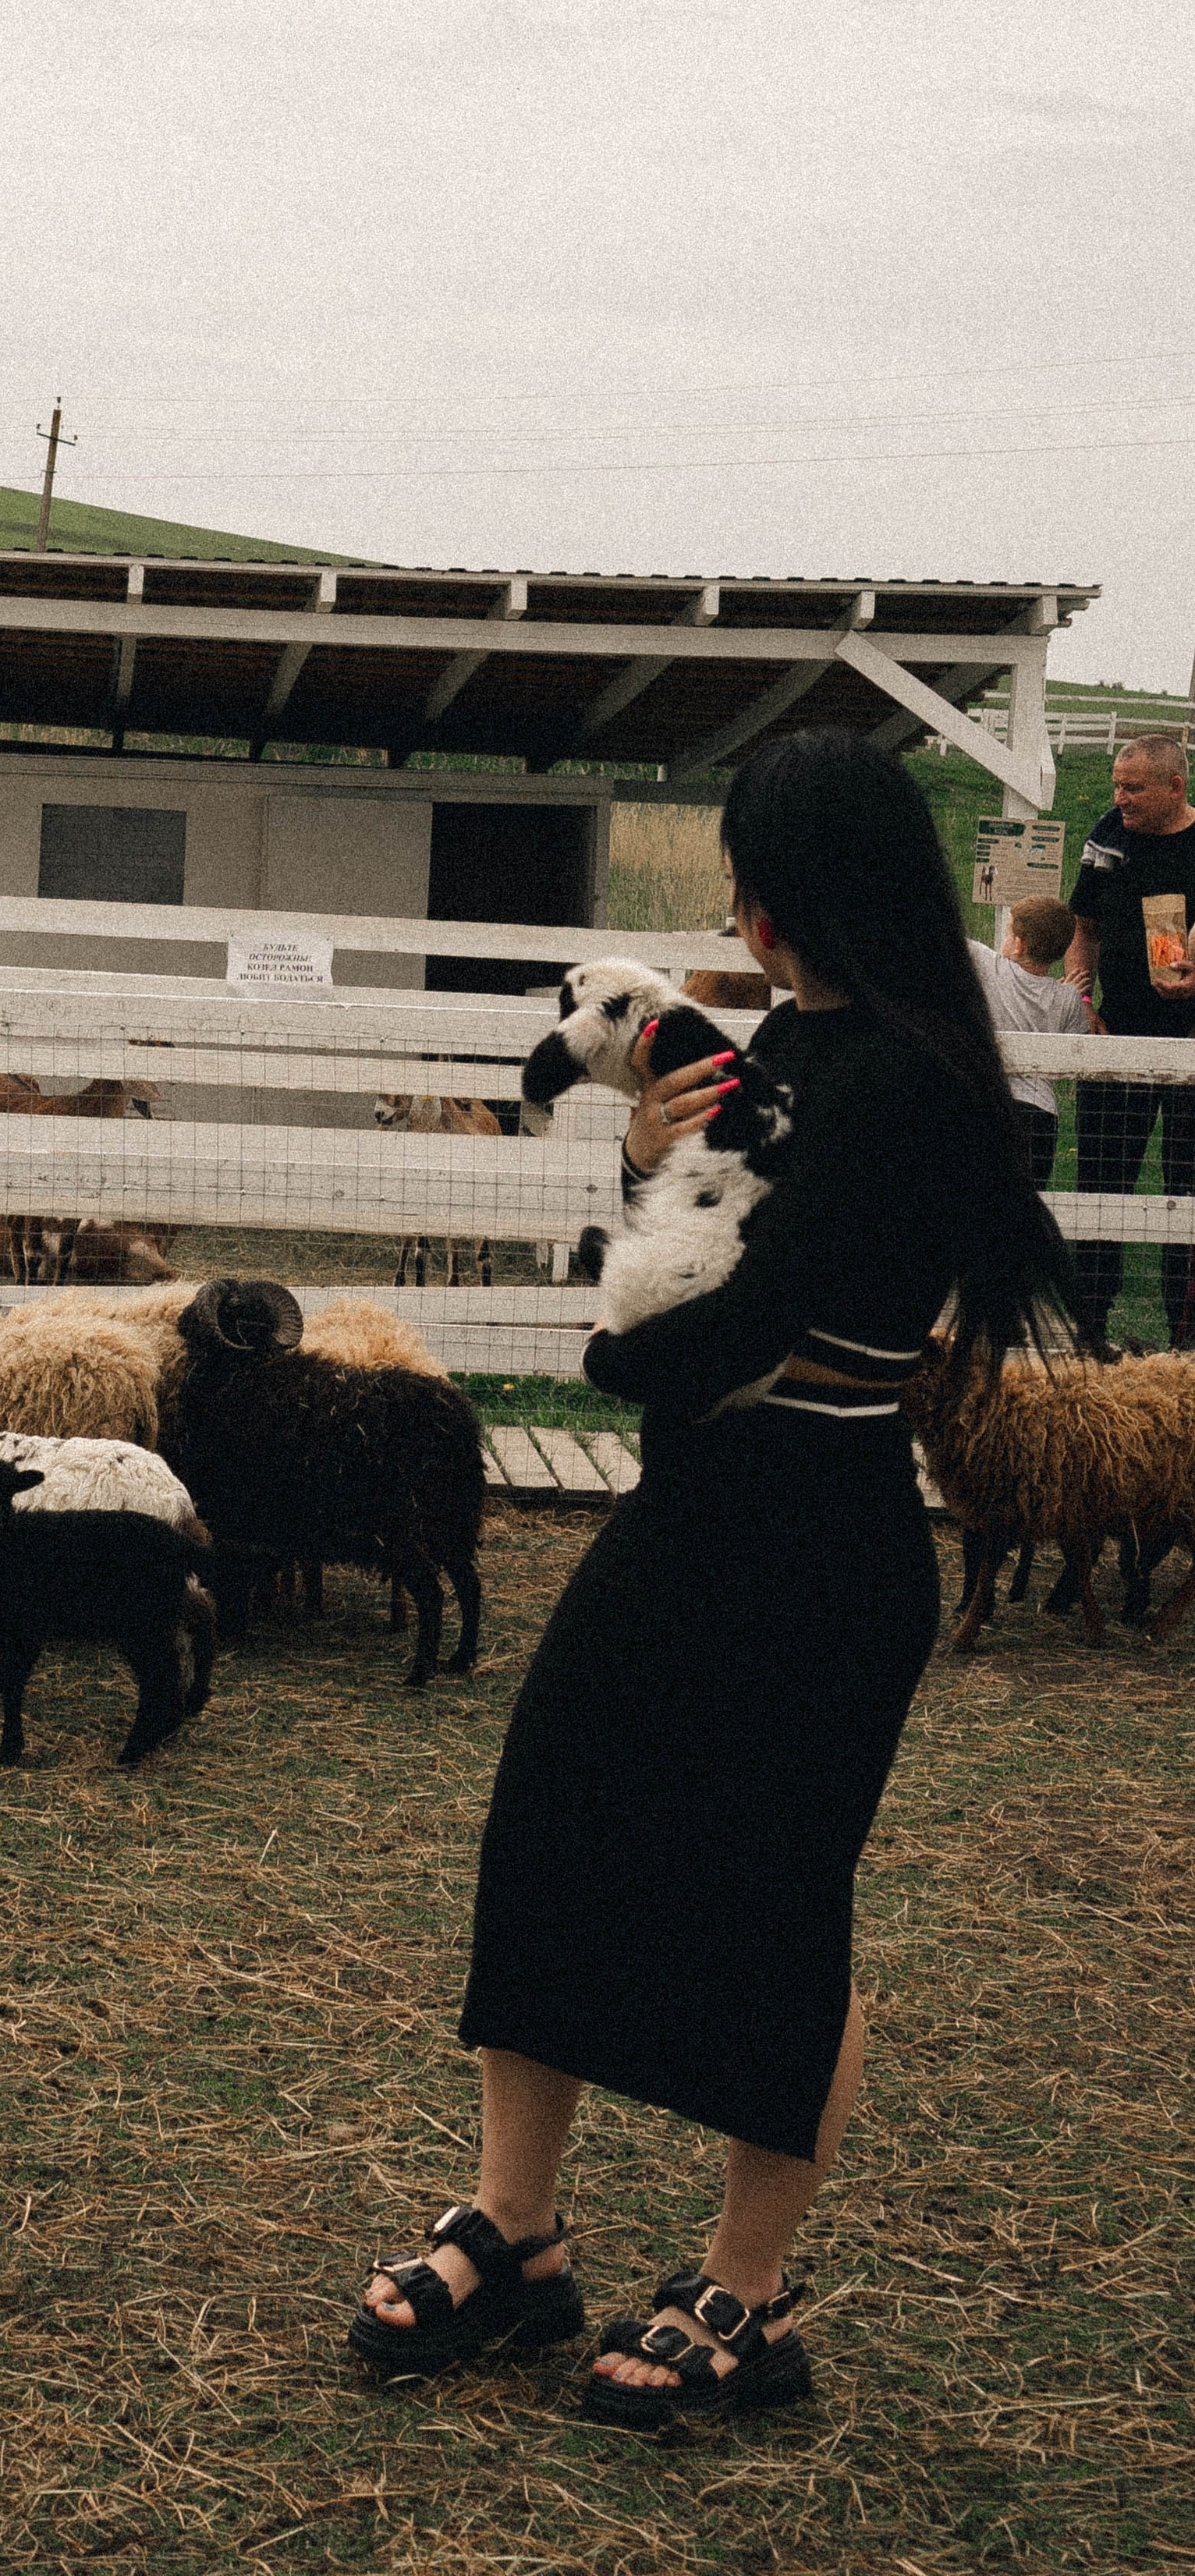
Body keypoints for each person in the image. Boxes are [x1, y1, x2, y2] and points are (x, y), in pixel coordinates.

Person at [349, 728, 1070, 2432]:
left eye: (749, 865)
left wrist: (609, 1368)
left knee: (771, 1904)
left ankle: (744, 2293)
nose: (731, 901)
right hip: (692, 1518)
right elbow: (709, 1225)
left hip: (818, 1541)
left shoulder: (900, 1078)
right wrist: (632, 1161)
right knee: (547, 1833)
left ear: (798, 887)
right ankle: (515, 2237)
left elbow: (735, 1321)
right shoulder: (790, 1043)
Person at [1066, 733, 1195, 1350]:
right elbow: (1082, 930)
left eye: (1134, 788)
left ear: (1176, 788)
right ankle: (1089, 1334)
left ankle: (1185, 1345)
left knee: (1188, 1192)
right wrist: (1081, 998)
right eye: (1117, 786)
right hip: (1117, 1035)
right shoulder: (1108, 835)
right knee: (1099, 1186)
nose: (1120, 799)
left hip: (1193, 1049)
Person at [966, 895, 1090, 1188]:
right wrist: (1062, 994)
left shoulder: (990, 968)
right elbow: (1072, 1052)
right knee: (1029, 1201)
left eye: (1009, 932)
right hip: (1040, 1114)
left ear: (1019, 944)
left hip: (991, 1101)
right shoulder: (1068, 998)